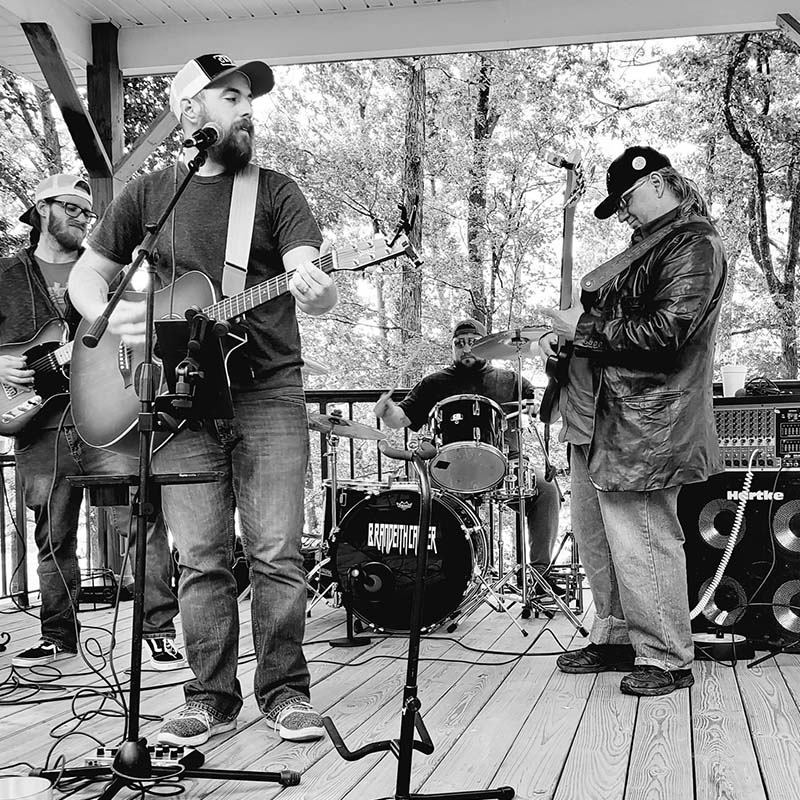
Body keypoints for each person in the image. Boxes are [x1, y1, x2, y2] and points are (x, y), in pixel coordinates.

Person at [67, 54, 338, 745]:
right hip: (182, 398)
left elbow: (315, 272)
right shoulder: (149, 194)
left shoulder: (276, 192)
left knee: (277, 549)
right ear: (191, 112)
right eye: (231, 96)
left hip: (266, 391)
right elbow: (88, 276)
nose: (247, 109)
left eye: (249, 99)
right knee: (201, 556)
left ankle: (284, 692)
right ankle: (210, 696)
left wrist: (315, 282)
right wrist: (111, 320)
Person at [538, 145, 726, 696]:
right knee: (599, 538)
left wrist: (584, 330)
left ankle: (667, 655)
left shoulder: (694, 244)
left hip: (645, 422)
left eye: (626, 200)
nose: (622, 212)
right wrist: (567, 340)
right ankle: (619, 635)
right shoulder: (646, 246)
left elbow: (667, 333)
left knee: (644, 536)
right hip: (598, 415)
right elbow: (609, 323)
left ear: (661, 183)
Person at [1, 174, 185, 672]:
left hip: (107, 411)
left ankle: (158, 632)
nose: (85, 220)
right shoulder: (6, 275)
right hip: (41, 419)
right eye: (74, 209)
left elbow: (144, 326)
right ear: (42, 209)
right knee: (52, 530)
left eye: (89, 213)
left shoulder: (111, 270)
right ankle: (57, 635)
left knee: (141, 520)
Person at [373, 318, 562, 594]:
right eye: (459, 344)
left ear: (485, 346)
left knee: (545, 489)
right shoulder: (434, 383)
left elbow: (540, 405)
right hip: (449, 470)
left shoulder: (510, 380)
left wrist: (534, 407)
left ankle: (538, 576)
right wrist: (387, 411)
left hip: (503, 467)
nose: (465, 349)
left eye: (472, 343)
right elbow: (400, 418)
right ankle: (441, 579)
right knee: (424, 500)